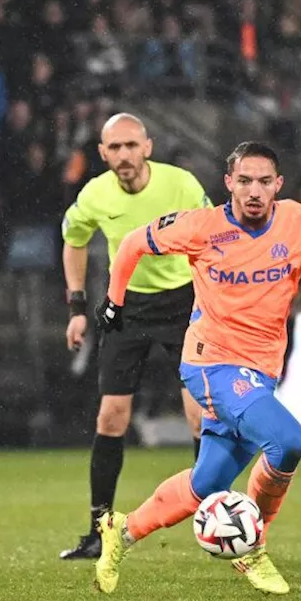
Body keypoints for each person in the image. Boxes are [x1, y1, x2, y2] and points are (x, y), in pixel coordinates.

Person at [90, 141, 301, 594]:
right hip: (211, 363)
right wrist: (114, 303)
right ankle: (253, 549)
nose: (254, 190)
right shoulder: (202, 227)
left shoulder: (296, 221)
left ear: (278, 185)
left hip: (260, 370)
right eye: (245, 181)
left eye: (264, 181)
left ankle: (122, 530)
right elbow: (134, 243)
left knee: (206, 483)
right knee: (288, 440)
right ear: (229, 183)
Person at [58, 113, 210, 560]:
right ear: (103, 154)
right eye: (114, 148)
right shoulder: (94, 194)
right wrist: (77, 308)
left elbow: (214, 238)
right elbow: (74, 241)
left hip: (183, 303)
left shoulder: (180, 184)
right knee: (111, 418)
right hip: (125, 306)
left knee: (200, 417)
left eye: (130, 145)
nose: (124, 155)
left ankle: (211, 522)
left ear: (148, 146)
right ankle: (97, 532)